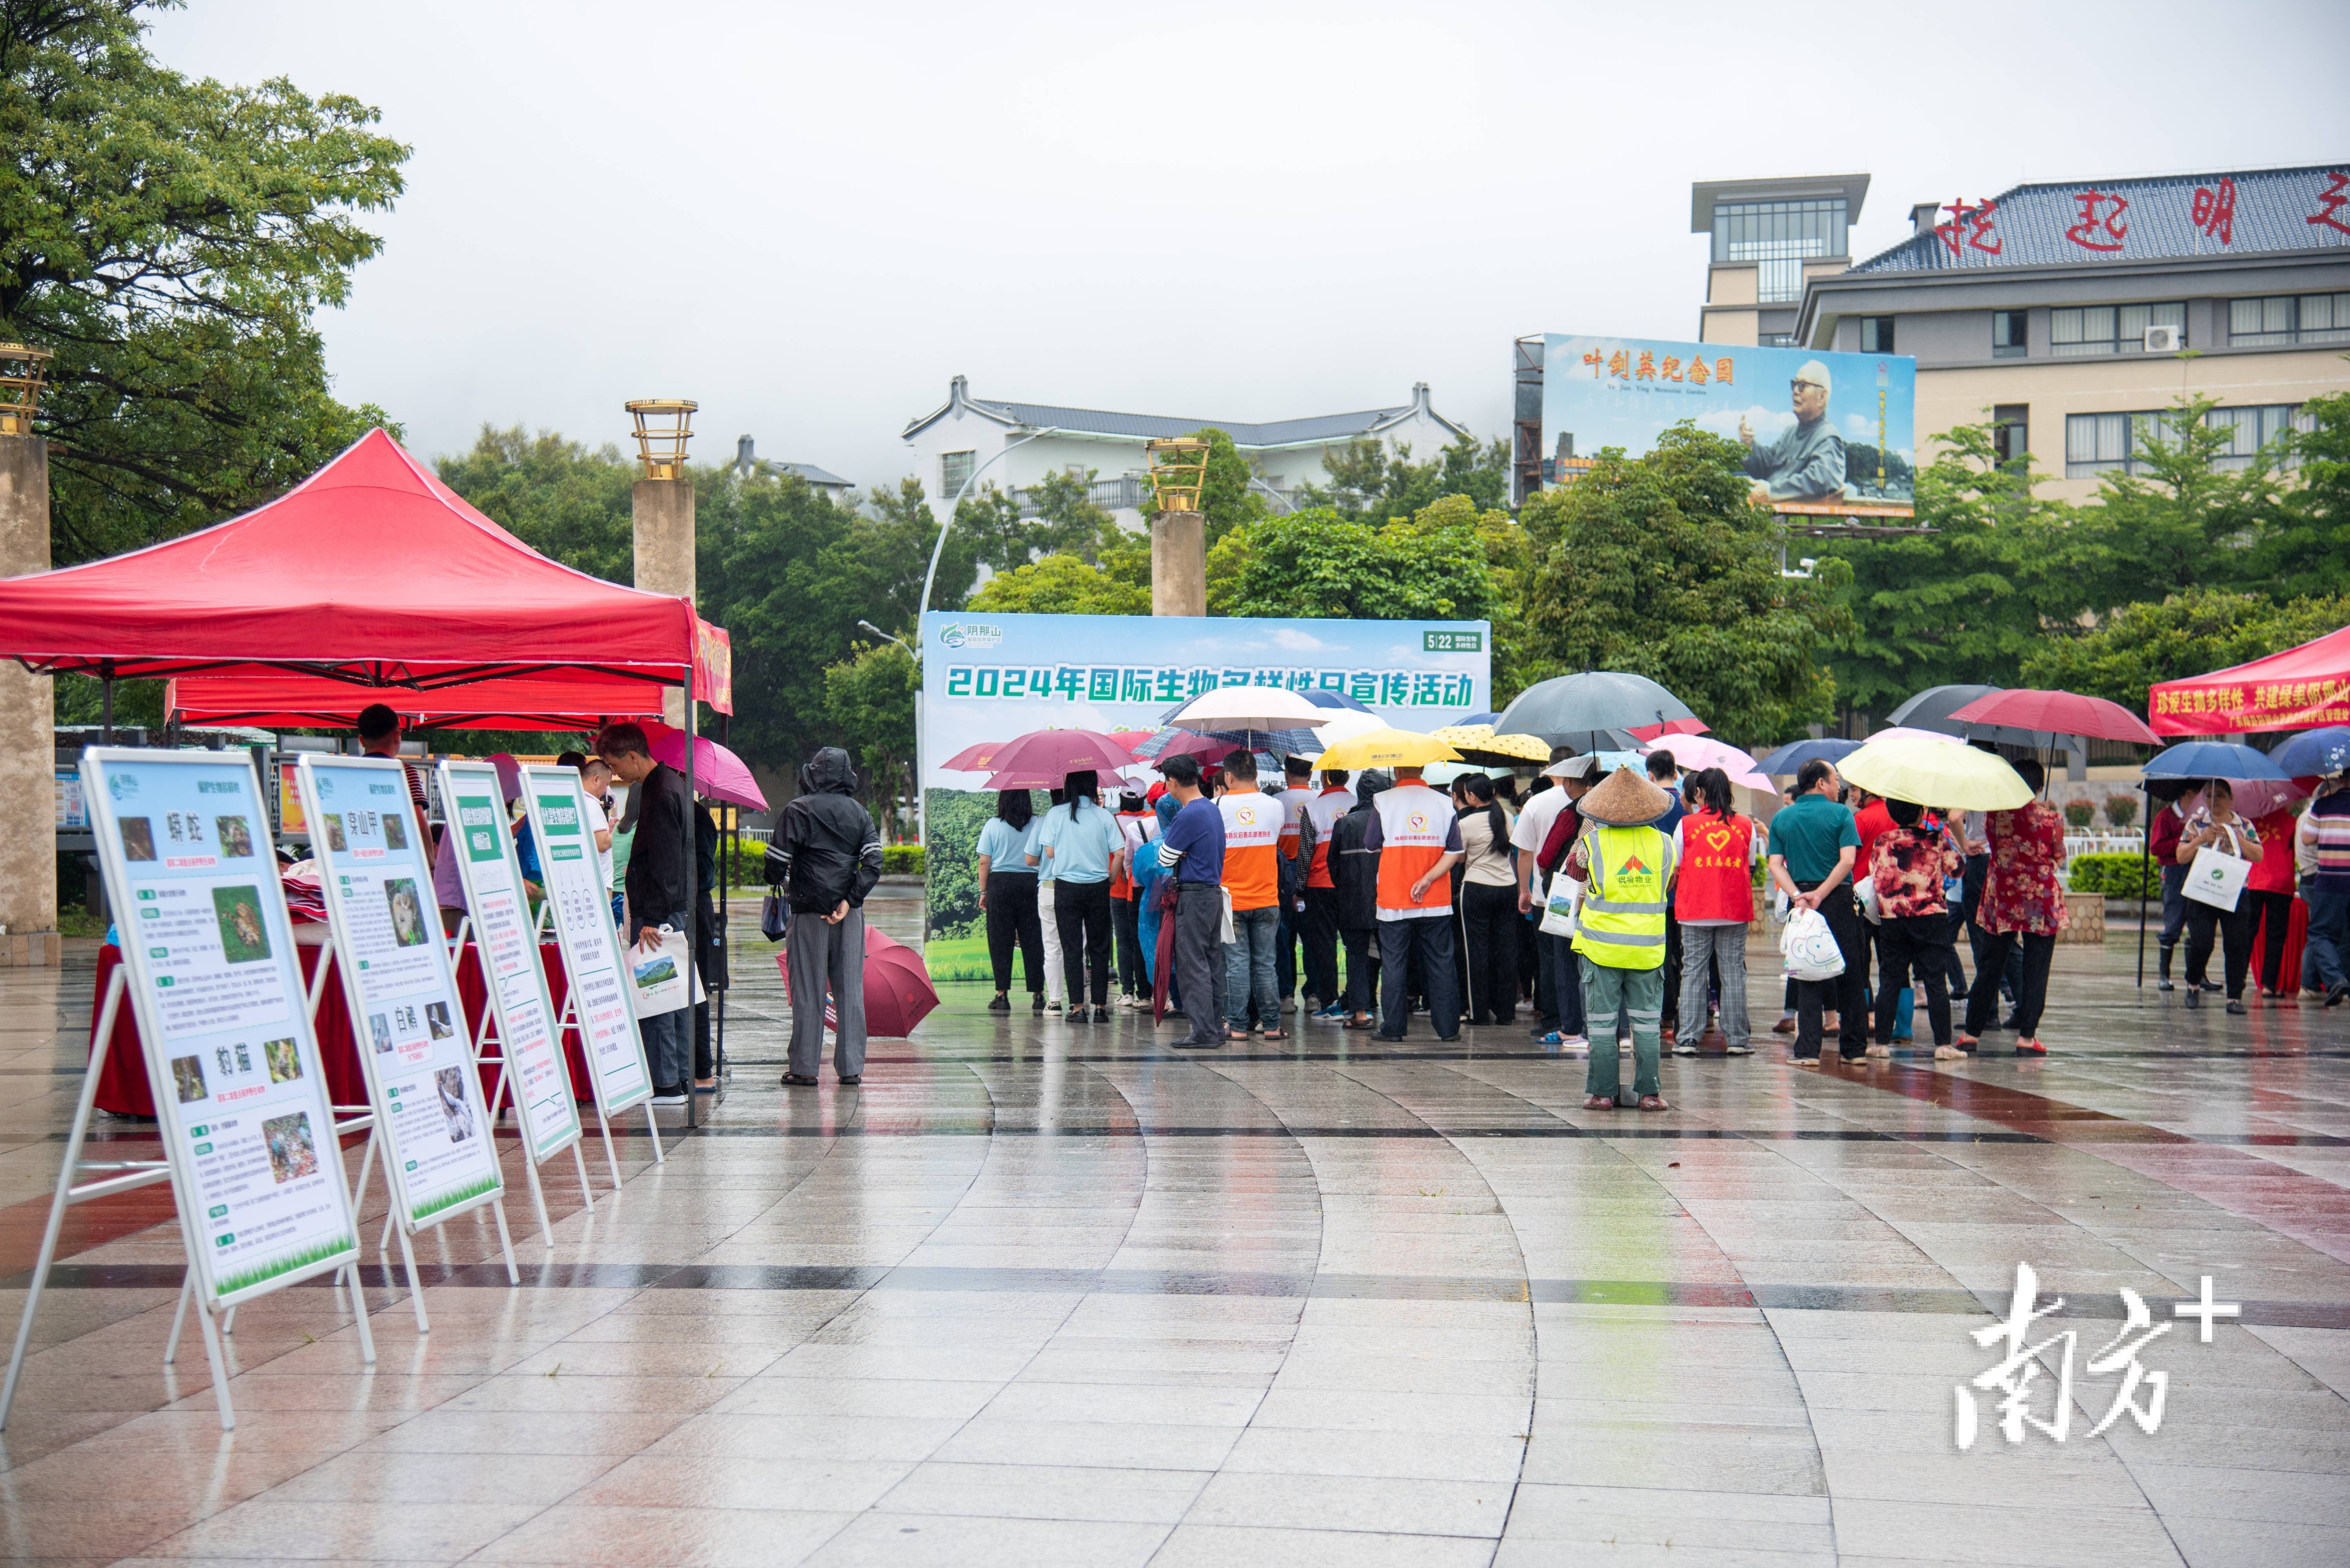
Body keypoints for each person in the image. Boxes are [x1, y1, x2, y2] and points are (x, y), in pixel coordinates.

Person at [762, 745, 884, 1087]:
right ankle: (850, 1069)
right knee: (849, 990)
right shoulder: (860, 813)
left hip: (807, 913)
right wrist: (848, 900)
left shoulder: (798, 810)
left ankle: (803, 1068)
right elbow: (873, 863)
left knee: (807, 990)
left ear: (813, 774)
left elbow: (775, 863)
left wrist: (777, 878)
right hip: (849, 915)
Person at [1559, 767, 1678, 1111]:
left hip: (1601, 948)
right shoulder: (1665, 844)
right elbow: (1669, 883)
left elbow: (1574, 872)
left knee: (1600, 1026)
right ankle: (1650, 1096)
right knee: (1645, 1025)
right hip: (1648, 949)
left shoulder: (1591, 843)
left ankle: (1602, 1094)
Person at [596, 723, 694, 1102]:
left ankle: (666, 1082)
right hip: (666, 909)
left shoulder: (659, 790)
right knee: (672, 996)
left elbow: (665, 860)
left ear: (633, 756)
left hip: (659, 914)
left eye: (614, 764)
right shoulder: (667, 784)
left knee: (657, 997)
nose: (615, 773)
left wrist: (651, 917)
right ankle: (678, 1076)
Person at [1956, 760, 2067, 1054]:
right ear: (2039, 786)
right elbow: (2059, 856)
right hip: (2040, 900)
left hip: (2002, 898)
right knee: (2036, 968)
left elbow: (1994, 845)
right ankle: (2027, 1038)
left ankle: (1971, 1034)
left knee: (1990, 966)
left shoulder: (1996, 817)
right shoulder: (2052, 819)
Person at [1768, 759, 1865, 1066]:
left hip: (1802, 903)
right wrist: (1822, 894)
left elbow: (1774, 864)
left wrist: (1798, 896)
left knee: (1807, 970)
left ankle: (1808, 1051)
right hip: (1836, 898)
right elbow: (1848, 861)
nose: (1840, 786)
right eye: (1835, 779)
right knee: (1851, 972)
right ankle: (1854, 1050)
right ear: (1822, 783)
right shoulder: (1841, 815)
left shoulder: (1783, 817)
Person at [1366, 764, 1463, 1042]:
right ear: (1422, 769)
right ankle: (1448, 1030)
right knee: (1441, 963)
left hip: (1394, 898)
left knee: (1394, 964)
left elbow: (1371, 843)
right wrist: (1427, 879)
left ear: (1397, 770)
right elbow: (1455, 851)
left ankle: (1394, 1029)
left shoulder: (1383, 801)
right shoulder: (1445, 802)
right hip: (1436, 899)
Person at [1867, 799, 1964, 1060]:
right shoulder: (1935, 840)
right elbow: (1957, 869)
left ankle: (1881, 1044)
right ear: (1921, 812)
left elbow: (1875, 874)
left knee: (1890, 981)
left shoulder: (1883, 840)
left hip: (1893, 919)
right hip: (1930, 919)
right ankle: (1943, 1045)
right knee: (1935, 981)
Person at [1671, 767, 1757, 1057]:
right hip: (1734, 908)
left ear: (1699, 793)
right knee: (1733, 972)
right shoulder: (1745, 825)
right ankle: (1737, 1039)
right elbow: (1751, 863)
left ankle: (1687, 1039)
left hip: (1695, 908)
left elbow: (1677, 864)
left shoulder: (1686, 825)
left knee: (1693, 971)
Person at [1215, 750, 1295, 1040]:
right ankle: (1272, 1026)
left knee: (1236, 965)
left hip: (1231, 900)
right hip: (1267, 899)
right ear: (1257, 776)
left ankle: (1237, 1028)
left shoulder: (1216, 806)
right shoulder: (1274, 806)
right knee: (1265, 964)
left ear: (1228, 776)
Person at [1521, 756, 1599, 1048]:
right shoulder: (1620, 818)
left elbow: (1544, 858)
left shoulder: (1572, 813)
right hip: (1603, 897)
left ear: (1569, 782)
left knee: (1564, 961)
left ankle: (1570, 1027)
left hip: (1566, 894)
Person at [1036, 770, 1123, 1022]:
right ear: (1093, 785)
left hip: (1067, 888)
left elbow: (1050, 853)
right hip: (1098, 887)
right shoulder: (1103, 816)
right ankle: (1100, 1008)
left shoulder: (1056, 814)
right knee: (1099, 947)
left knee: (1072, 948)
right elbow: (1118, 854)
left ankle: (1077, 1008)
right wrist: (1111, 878)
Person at [1153, 753, 1228, 1049]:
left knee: (1192, 965)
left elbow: (1164, 857)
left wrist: (1178, 851)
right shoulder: (1210, 808)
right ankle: (1214, 1029)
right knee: (1210, 963)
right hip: (1211, 894)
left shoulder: (1189, 814)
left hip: (1194, 896)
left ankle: (1203, 1032)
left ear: (1172, 782)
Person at [2172, 779, 2262, 1016]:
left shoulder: (2244, 824)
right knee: (2202, 942)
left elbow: (2258, 854)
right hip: (2203, 891)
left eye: (2220, 795)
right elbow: (2181, 856)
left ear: (2231, 799)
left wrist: (2235, 837)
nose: (2214, 801)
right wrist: (2203, 839)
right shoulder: (2196, 823)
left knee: (2237, 945)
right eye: (2210, 796)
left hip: (2235, 893)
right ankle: (2193, 984)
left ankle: (2234, 997)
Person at [1456, 774, 1519, 1026]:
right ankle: (1506, 1013)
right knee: (1506, 951)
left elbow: (1459, 859)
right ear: (1493, 791)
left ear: (1471, 796)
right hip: (1507, 888)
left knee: (1476, 953)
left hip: (1476, 889)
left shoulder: (1466, 823)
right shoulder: (1506, 817)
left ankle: (1478, 1013)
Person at [1739, 360, 1846, 504]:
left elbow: (1822, 479)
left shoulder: (1828, 438)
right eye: (1794, 385)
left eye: (1803, 386)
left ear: (1822, 397)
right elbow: (1768, 466)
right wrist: (1749, 444)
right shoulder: (1790, 432)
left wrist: (1772, 492)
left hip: (1790, 520)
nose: (1795, 391)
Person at [1330, 771, 1389, 1029]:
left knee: (1355, 957)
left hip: (1352, 901)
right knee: (1391, 958)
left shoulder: (1345, 824)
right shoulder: (1391, 821)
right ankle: (1394, 1013)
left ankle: (1361, 1014)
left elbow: (1333, 866)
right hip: (1387, 901)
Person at [976, 790, 1044, 1013]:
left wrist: (983, 891)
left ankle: (1002, 995)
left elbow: (984, 862)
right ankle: (1038, 994)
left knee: (1000, 940)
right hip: (1032, 883)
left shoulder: (993, 825)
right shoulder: (1037, 822)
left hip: (1001, 884)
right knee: (1034, 939)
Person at [1300, 767, 1353, 1020]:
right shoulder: (1361, 804)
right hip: (1354, 886)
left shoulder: (1313, 808)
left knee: (1324, 945)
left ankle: (1329, 998)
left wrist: (1299, 888)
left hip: (1320, 885)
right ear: (1348, 778)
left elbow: (1305, 853)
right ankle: (1359, 999)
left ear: (1323, 778)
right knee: (1356, 945)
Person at [356, 703, 435, 869]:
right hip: (398, 863)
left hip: (360, 861)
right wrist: (430, 863)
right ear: (398, 736)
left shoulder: (350, 772)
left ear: (362, 741)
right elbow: (419, 822)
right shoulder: (404, 772)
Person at [1645, 751, 1688, 1043]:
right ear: (1675, 773)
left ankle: (1664, 1012)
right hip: (1683, 894)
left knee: (1660, 956)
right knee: (1685, 958)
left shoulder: (1647, 806)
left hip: (1653, 893)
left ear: (1650, 775)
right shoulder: (1686, 811)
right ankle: (1687, 1014)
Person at [2298, 773, 2350, 1007]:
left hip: (2331, 880)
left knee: (2321, 934)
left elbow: (2307, 839)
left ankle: (2336, 980)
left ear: (2344, 780)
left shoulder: (2323, 804)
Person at [2244, 802, 2301, 1000]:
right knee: (2275, 937)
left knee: (2247, 933)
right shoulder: (2293, 823)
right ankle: (2269, 985)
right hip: (2281, 883)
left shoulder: (2249, 822)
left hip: (2254, 880)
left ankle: (2239, 979)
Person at [1274, 756, 1317, 1014]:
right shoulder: (1319, 802)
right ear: (1310, 776)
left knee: (1283, 937)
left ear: (1286, 774)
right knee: (1311, 938)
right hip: (1311, 874)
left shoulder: (1276, 802)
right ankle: (1313, 995)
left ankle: (1285, 995)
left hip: (1281, 874)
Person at [1111, 788, 1157, 1009]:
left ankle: (1129, 991)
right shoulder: (1160, 821)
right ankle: (1160, 992)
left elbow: (1124, 859)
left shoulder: (1115, 821)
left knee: (1125, 942)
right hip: (1150, 889)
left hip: (1122, 890)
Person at [2150, 789, 2199, 991]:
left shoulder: (2199, 818)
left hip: (2196, 870)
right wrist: (2184, 843)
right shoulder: (2166, 817)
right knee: (2174, 922)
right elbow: (2156, 847)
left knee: (2198, 924)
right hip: (2174, 872)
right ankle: (2164, 975)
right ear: (2188, 794)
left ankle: (2197, 975)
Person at [1036, 787, 1068, 1015]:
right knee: (1078, 945)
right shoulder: (1095, 817)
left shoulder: (1045, 821)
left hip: (1048, 887)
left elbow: (1032, 858)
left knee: (1052, 946)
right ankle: (1081, 1002)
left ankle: (1055, 1000)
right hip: (1078, 886)